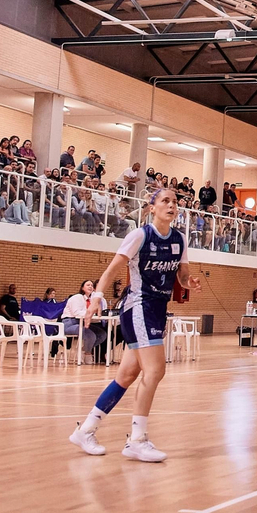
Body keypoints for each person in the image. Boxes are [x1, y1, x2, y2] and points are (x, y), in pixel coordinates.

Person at [68, 186, 201, 462]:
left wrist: (190, 282)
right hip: (137, 306)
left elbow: (183, 275)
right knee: (155, 370)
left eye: (175, 201)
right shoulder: (140, 235)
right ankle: (137, 440)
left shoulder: (179, 239)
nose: (171, 205)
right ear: (151, 207)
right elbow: (111, 270)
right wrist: (96, 299)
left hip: (157, 309)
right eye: (165, 201)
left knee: (127, 375)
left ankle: (87, 429)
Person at [61, 280, 104, 360]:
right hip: (70, 323)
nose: (90, 286)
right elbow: (77, 313)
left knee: (102, 334)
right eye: (88, 285)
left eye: (91, 285)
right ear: (82, 288)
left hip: (82, 322)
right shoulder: (77, 297)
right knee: (90, 335)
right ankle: (88, 353)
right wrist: (90, 313)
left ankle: (83, 349)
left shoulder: (91, 300)